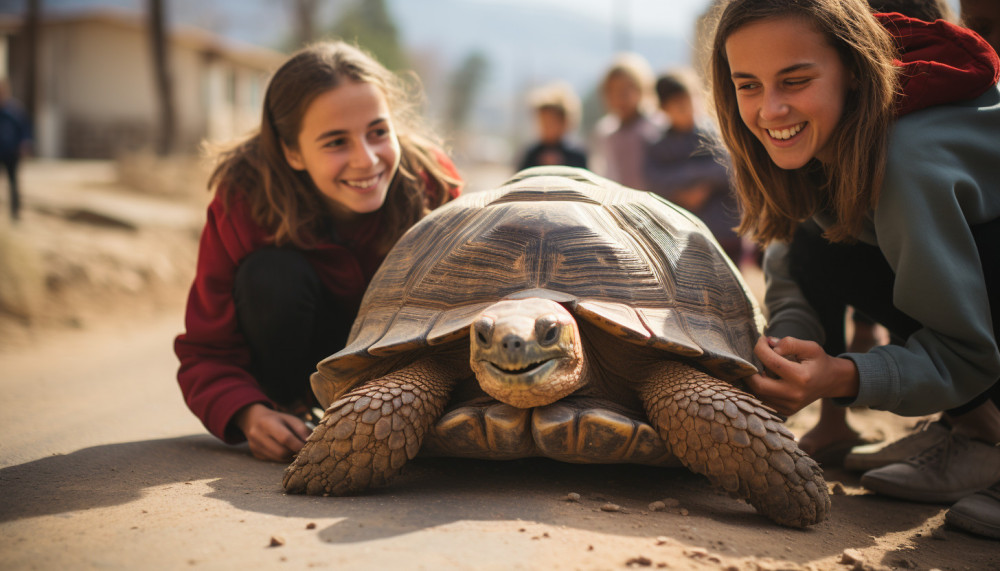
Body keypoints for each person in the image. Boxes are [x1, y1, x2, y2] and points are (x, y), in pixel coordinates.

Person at [709, 0, 1000, 539]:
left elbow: (969, 356)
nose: (771, 110)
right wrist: (784, 353)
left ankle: (984, 434)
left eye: (795, 80)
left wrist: (843, 376)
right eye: (748, 85)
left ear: (855, 70)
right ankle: (975, 427)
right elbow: (794, 258)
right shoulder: (823, 138)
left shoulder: (902, 159)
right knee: (816, 243)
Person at [174, 41, 462, 464]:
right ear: (291, 151)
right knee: (270, 275)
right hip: (297, 366)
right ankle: (293, 409)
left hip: (406, 371)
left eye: (378, 132)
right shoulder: (243, 202)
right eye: (336, 142)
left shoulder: (431, 183)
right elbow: (206, 352)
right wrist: (250, 415)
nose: (366, 160)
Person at [644, 72, 742, 264]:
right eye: (677, 104)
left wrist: (701, 186)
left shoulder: (713, 135)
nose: (685, 108)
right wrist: (684, 192)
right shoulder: (659, 145)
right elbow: (654, 181)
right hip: (681, 233)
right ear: (663, 108)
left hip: (724, 229)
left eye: (688, 100)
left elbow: (729, 168)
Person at [589, 52, 662, 190]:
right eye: (613, 91)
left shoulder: (656, 128)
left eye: (626, 90)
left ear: (641, 88)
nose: (620, 97)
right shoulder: (605, 132)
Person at [517, 81, 587, 171]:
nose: (546, 127)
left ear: (565, 122)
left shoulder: (575, 155)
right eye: (542, 122)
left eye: (551, 122)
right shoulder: (532, 154)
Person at [0, 79, 33, 222]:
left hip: (12, 153)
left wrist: (25, 144)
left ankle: (15, 214)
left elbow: (25, 129)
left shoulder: (15, 110)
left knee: (13, 184)